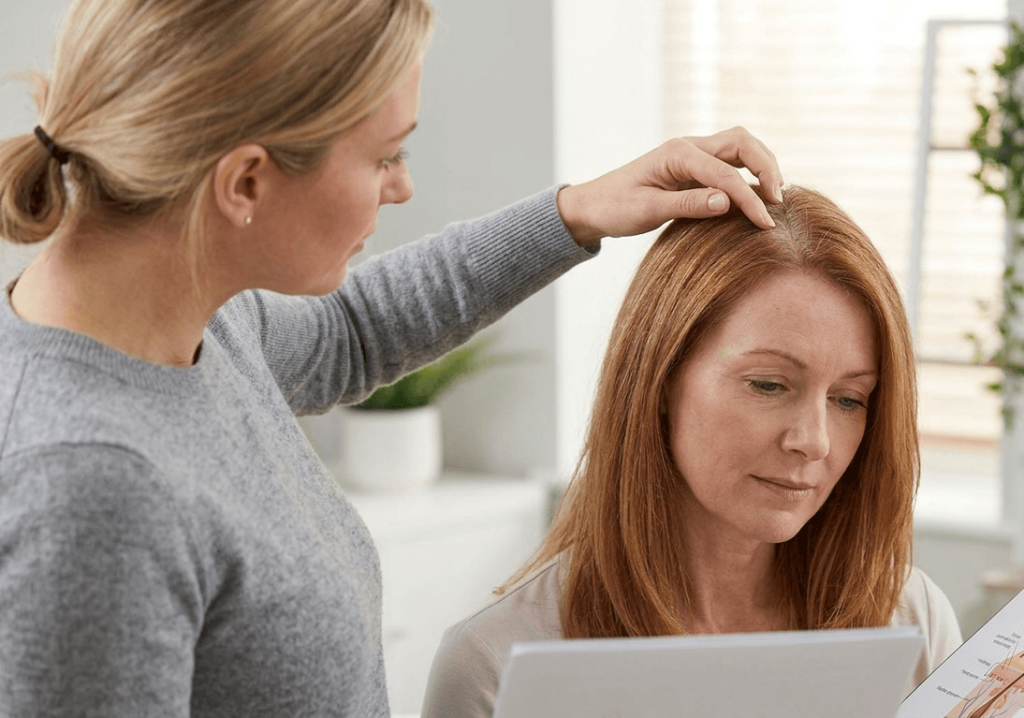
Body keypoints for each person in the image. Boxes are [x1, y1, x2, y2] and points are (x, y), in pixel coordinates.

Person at [0, 0, 784, 716]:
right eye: (384, 158)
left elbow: (355, 329)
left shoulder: (202, 325)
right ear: (244, 181)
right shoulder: (91, 487)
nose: (402, 187)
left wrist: (577, 214)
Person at [421, 184, 964, 718]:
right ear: (659, 381)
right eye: (769, 385)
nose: (814, 440)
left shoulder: (913, 620)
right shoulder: (498, 663)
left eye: (848, 399)